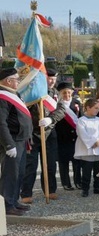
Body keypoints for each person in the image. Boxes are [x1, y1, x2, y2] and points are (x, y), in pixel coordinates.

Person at [21, 68, 66, 202]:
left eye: (54, 79)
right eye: (49, 78)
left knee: (50, 165)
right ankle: (26, 194)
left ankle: (50, 190)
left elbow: (61, 110)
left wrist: (50, 119)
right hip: (33, 133)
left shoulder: (55, 94)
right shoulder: (32, 92)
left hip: (49, 133)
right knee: (31, 165)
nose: (52, 81)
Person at [0, 68, 33, 215]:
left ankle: (13, 200)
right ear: (8, 81)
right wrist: (8, 144)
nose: (18, 81)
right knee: (10, 174)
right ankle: (6, 205)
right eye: (16, 79)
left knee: (19, 173)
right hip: (12, 140)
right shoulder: (2, 96)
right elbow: (1, 123)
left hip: (20, 139)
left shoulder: (15, 94)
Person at [74, 98, 99, 197]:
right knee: (86, 171)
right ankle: (85, 189)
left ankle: (97, 187)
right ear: (88, 108)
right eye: (95, 108)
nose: (97, 110)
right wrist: (92, 142)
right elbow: (82, 133)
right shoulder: (81, 120)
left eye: (98, 108)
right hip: (87, 149)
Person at [55, 81, 82, 191]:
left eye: (69, 92)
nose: (67, 95)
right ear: (60, 93)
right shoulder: (57, 104)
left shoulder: (76, 103)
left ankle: (78, 182)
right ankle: (66, 183)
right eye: (64, 93)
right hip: (62, 136)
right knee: (63, 162)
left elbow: (81, 117)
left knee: (77, 162)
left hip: (75, 137)